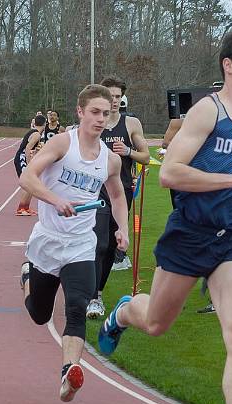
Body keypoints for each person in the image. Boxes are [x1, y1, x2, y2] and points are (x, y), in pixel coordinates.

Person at [98, 27, 232, 404]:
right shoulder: (206, 113)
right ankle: (122, 313)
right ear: (229, 66)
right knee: (155, 322)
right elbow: (169, 173)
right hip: (190, 234)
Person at [18, 84, 129, 402]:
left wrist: (122, 229)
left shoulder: (109, 160)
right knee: (39, 314)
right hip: (48, 241)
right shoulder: (62, 144)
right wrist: (54, 199)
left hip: (81, 243)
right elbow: (27, 178)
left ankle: (69, 371)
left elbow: (118, 195)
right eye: (94, 112)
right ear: (80, 112)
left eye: (106, 114)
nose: (100, 119)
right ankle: (27, 276)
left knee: (77, 307)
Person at [85, 76, 150, 319]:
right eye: (109, 96)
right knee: (99, 244)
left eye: (117, 97)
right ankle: (92, 298)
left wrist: (129, 151)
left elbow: (146, 156)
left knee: (112, 246)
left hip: (122, 192)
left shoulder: (131, 123)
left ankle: (98, 292)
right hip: (96, 191)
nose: (113, 101)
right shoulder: (94, 123)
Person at [14, 114, 46, 216]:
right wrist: (29, 164)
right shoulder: (36, 134)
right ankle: (21, 208)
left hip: (24, 158)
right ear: (44, 124)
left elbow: (32, 148)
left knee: (31, 183)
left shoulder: (35, 133)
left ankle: (26, 208)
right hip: (21, 159)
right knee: (27, 183)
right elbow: (28, 148)